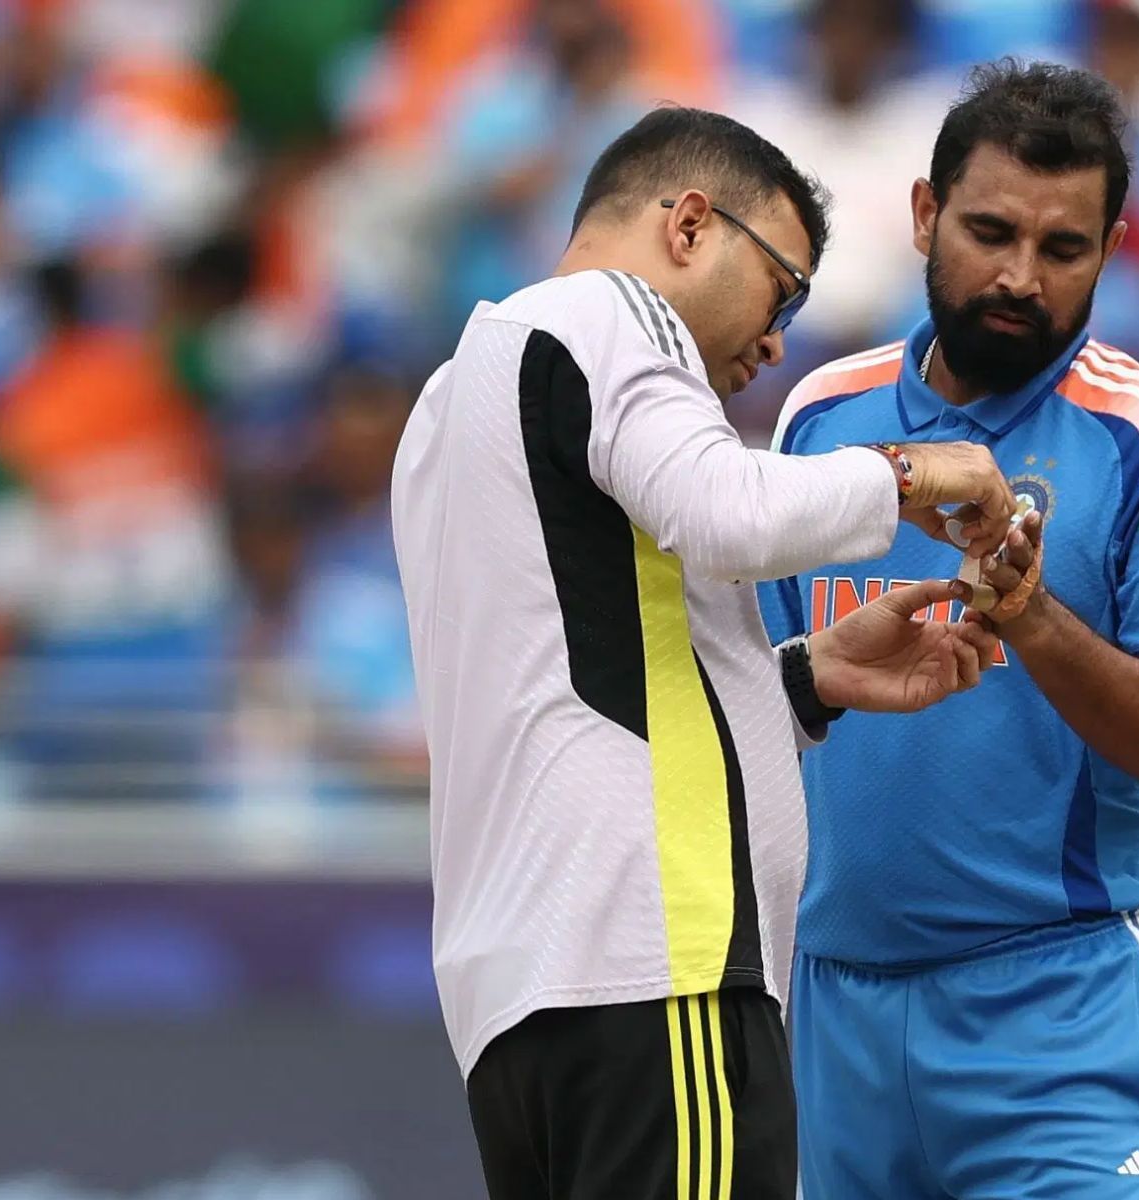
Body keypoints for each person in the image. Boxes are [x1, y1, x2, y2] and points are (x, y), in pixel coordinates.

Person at [389, 105, 1018, 1200]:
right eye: (781, 291)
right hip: (658, 967)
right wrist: (913, 476)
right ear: (688, 225)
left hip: (520, 1008)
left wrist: (803, 682)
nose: (775, 344)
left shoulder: (449, 401)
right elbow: (722, 509)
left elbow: (572, 681)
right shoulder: (611, 312)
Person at [761, 62, 1139, 1197]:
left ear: (1113, 249)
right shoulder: (818, 417)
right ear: (921, 214)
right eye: (989, 231)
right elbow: (763, 698)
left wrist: (1030, 615)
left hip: (1059, 1018)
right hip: (828, 1015)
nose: (1017, 277)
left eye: (1064, 249)